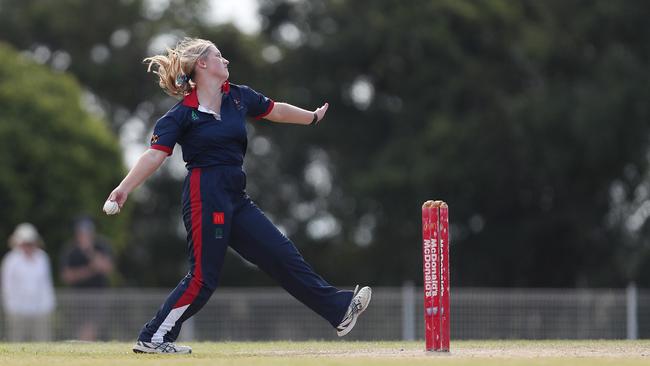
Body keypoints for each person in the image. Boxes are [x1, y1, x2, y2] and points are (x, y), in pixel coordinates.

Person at [104, 37, 371, 354]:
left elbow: (276, 111)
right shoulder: (180, 115)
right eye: (219, 55)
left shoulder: (238, 97)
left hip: (234, 194)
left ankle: (339, 311)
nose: (226, 61)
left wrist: (312, 116)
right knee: (204, 277)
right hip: (206, 194)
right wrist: (124, 189)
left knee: (281, 254)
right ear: (202, 64)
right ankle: (154, 337)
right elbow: (154, 156)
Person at [60, 216, 114, 340]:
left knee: (92, 326)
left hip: (98, 296)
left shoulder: (101, 246)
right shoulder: (70, 250)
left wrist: (89, 252)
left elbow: (107, 268)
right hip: (77, 297)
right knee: (80, 327)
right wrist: (89, 270)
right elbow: (67, 276)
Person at [1, 223, 55, 341]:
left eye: (30, 242)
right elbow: (7, 286)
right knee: (16, 342)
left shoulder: (42, 258)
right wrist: (10, 307)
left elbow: (46, 284)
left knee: (43, 343)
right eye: (25, 243)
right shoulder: (11, 260)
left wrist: (48, 306)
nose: (28, 246)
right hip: (17, 310)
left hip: (40, 310)